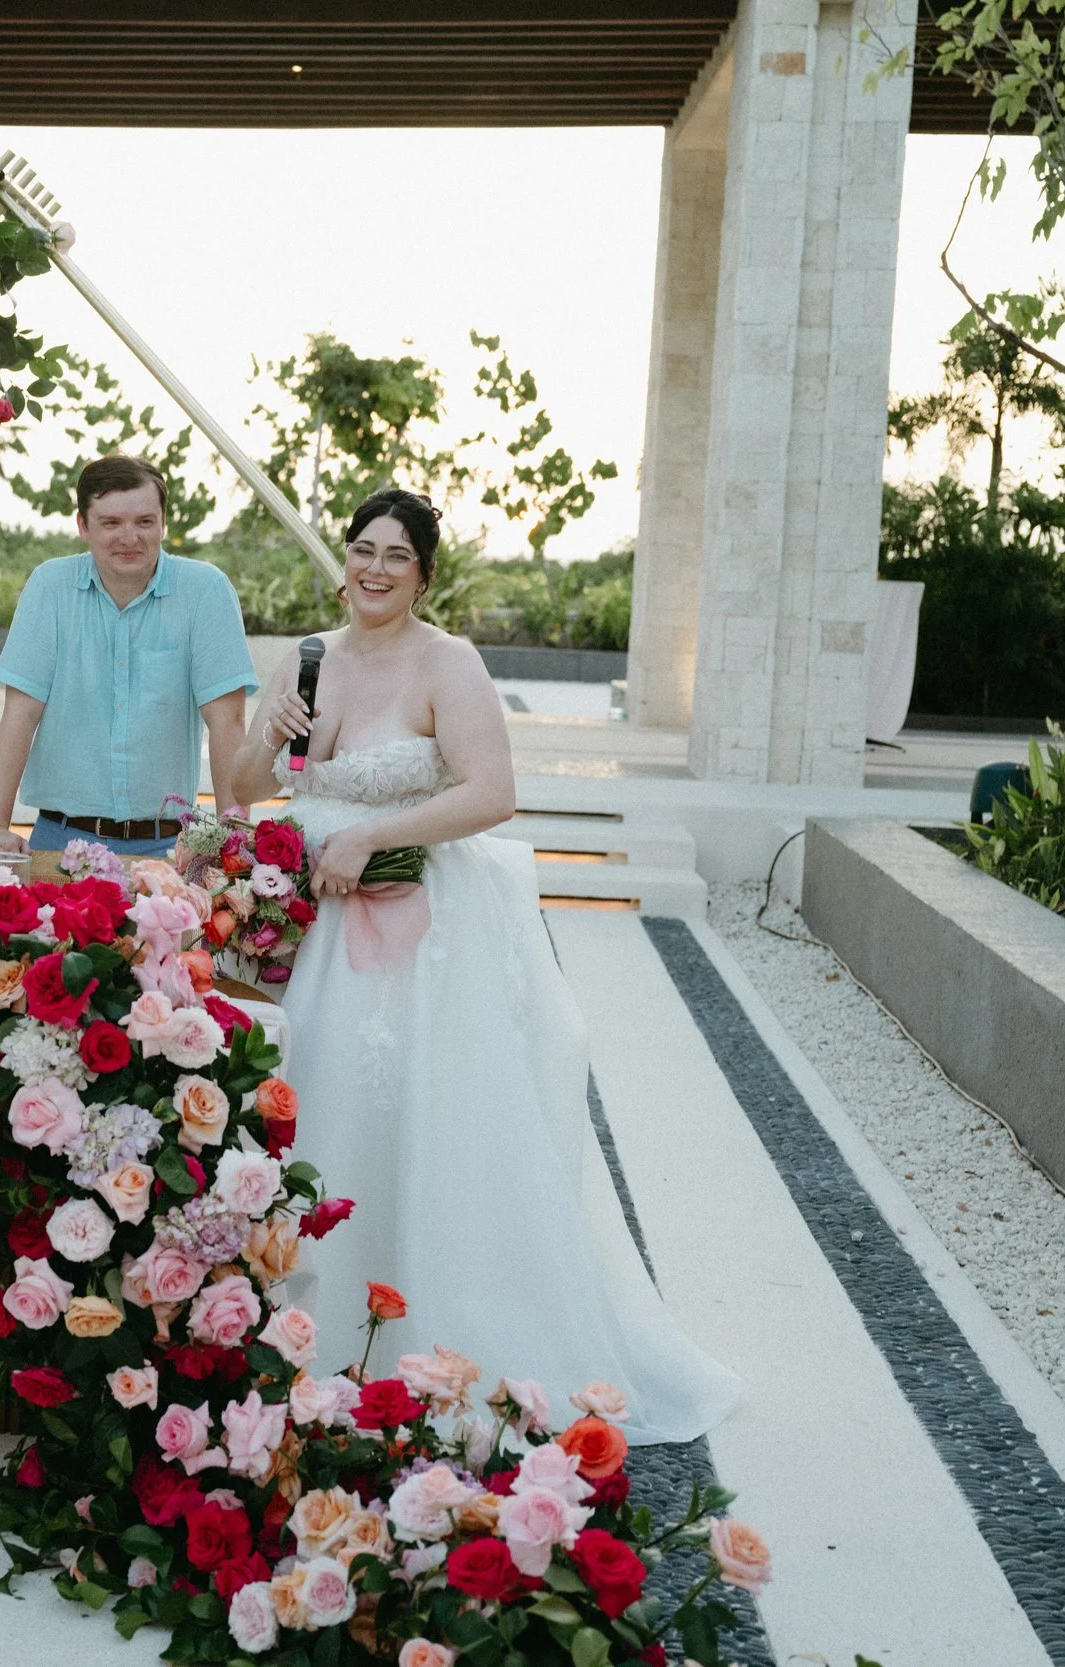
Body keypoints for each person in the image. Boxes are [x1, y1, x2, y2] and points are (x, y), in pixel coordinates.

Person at [229, 487, 740, 1444]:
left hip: (416, 930)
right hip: (317, 929)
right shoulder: (308, 656)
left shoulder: (446, 662)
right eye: (361, 549)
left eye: (395, 555)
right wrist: (271, 730)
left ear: (424, 573)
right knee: (321, 1104)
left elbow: (493, 791)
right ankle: (315, 1321)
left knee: (416, 1113)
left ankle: (434, 1327)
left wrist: (374, 832)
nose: (373, 568)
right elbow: (247, 787)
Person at [0, 455, 258, 859]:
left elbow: (227, 723)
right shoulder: (49, 587)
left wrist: (232, 841)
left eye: (144, 522)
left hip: (170, 847)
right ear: (83, 526)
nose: (130, 537)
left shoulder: (206, 592)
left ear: (164, 523)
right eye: (111, 523)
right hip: (61, 841)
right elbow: (20, 716)